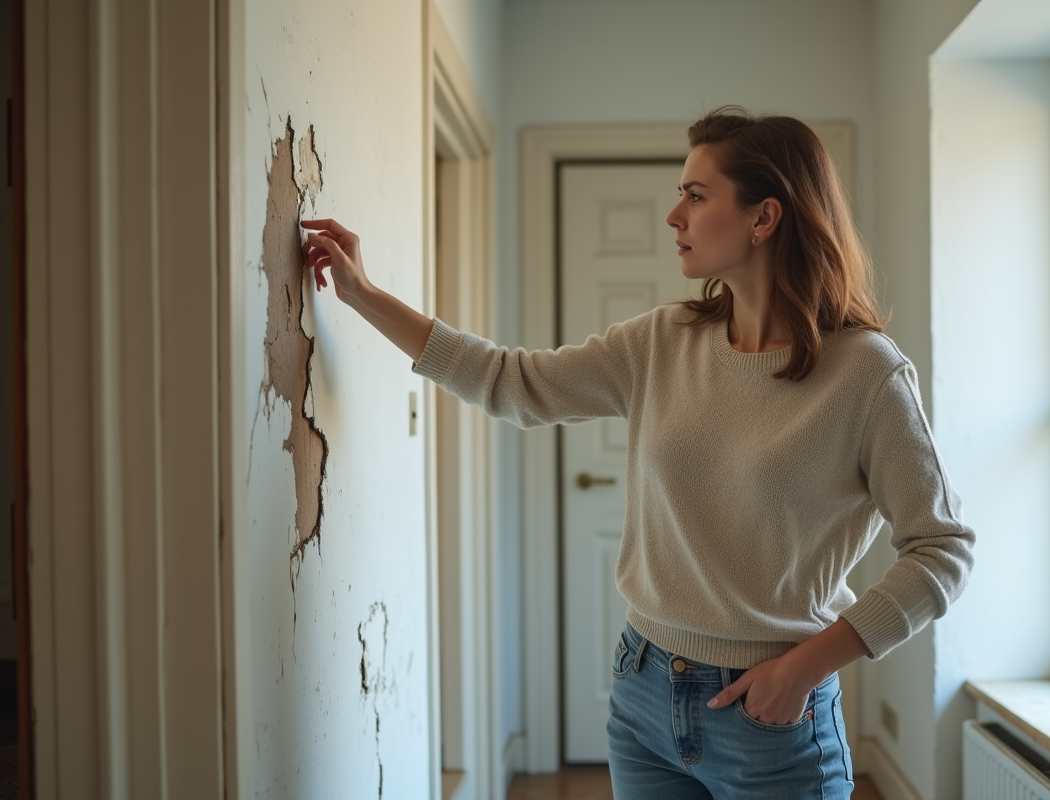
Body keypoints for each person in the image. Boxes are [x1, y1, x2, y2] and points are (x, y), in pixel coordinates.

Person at [301, 107, 975, 800]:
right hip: (644, 692)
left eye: (695, 195)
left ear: (763, 217)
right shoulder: (663, 341)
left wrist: (806, 667)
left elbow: (941, 549)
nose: (673, 216)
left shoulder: (866, 373)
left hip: (773, 716)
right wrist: (362, 295)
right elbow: (514, 383)